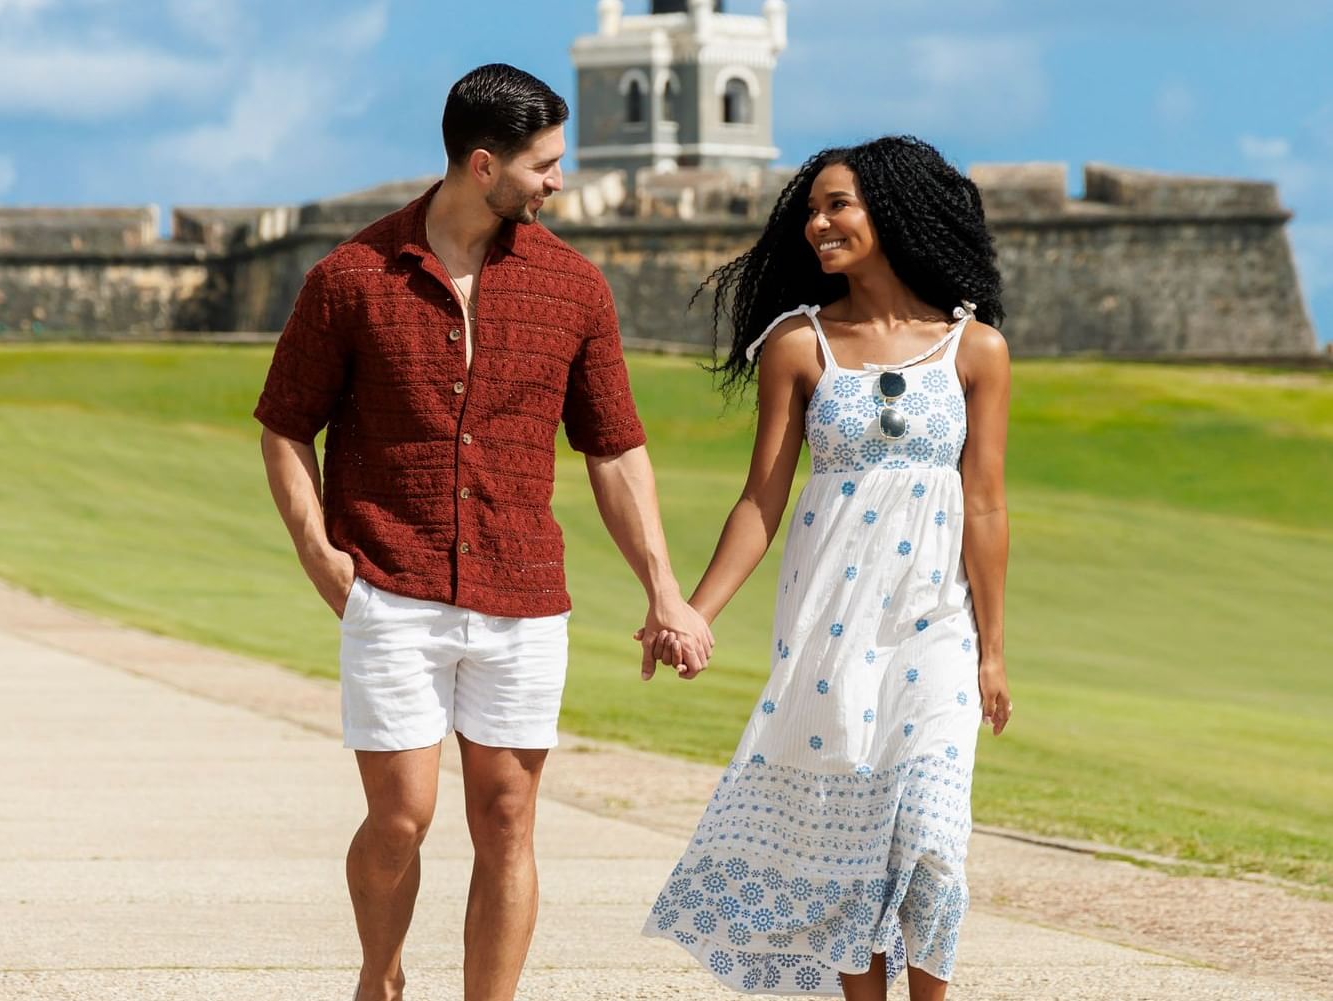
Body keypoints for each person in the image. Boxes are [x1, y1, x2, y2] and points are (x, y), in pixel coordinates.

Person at [255, 63, 713, 1001]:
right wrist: (318, 548)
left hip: (523, 592)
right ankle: (379, 976)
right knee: (402, 817)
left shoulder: (574, 287)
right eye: (543, 165)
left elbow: (616, 449)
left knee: (508, 816)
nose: (557, 182)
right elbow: (285, 423)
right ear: (481, 165)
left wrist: (664, 588)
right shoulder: (349, 278)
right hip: (389, 581)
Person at [640, 135, 1012, 1000]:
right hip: (830, 631)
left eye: (837, 204)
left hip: (937, 627)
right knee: (845, 845)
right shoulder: (798, 345)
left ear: (892, 210)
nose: (817, 224)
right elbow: (759, 503)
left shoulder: (976, 349)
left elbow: (986, 505)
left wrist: (993, 648)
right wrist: (693, 610)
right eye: (812, 209)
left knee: (931, 837)